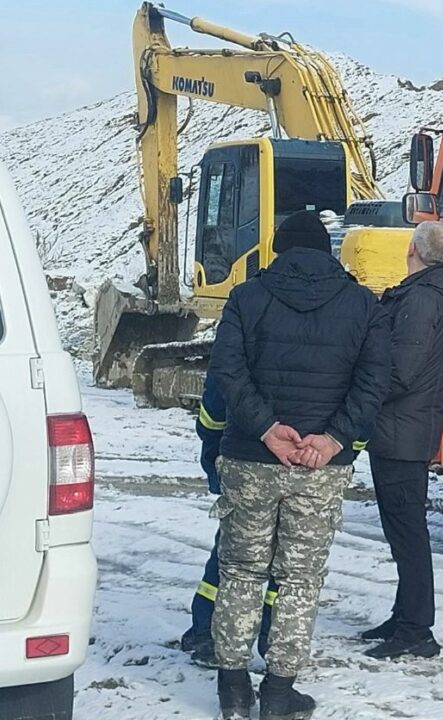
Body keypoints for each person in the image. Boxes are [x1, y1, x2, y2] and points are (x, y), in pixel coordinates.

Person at [209, 210, 390, 720]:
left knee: (241, 570)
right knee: (300, 579)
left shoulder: (246, 297)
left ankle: (232, 691)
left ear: (279, 249)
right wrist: (331, 440)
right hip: (319, 467)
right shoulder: (362, 304)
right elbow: (374, 382)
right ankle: (280, 693)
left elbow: (227, 369)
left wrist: (267, 429)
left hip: (251, 456)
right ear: (326, 251)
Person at [362, 221, 443, 660]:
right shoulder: (442, 295)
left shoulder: (421, 300)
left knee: (407, 532)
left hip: (400, 429)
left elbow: (400, 369)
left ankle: (416, 628)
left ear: (411, 250)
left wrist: (363, 392)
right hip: (411, 427)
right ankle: (405, 615)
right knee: (403, 529)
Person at [179, 370, 278, 668]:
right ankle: (277, 643)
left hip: (244, 460)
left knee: (234, 554)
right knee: (287, 565)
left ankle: (209, 631)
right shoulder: (341, 325)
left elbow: (215, 406)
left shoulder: (243, 327)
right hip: (306, 466)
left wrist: (215, 456)